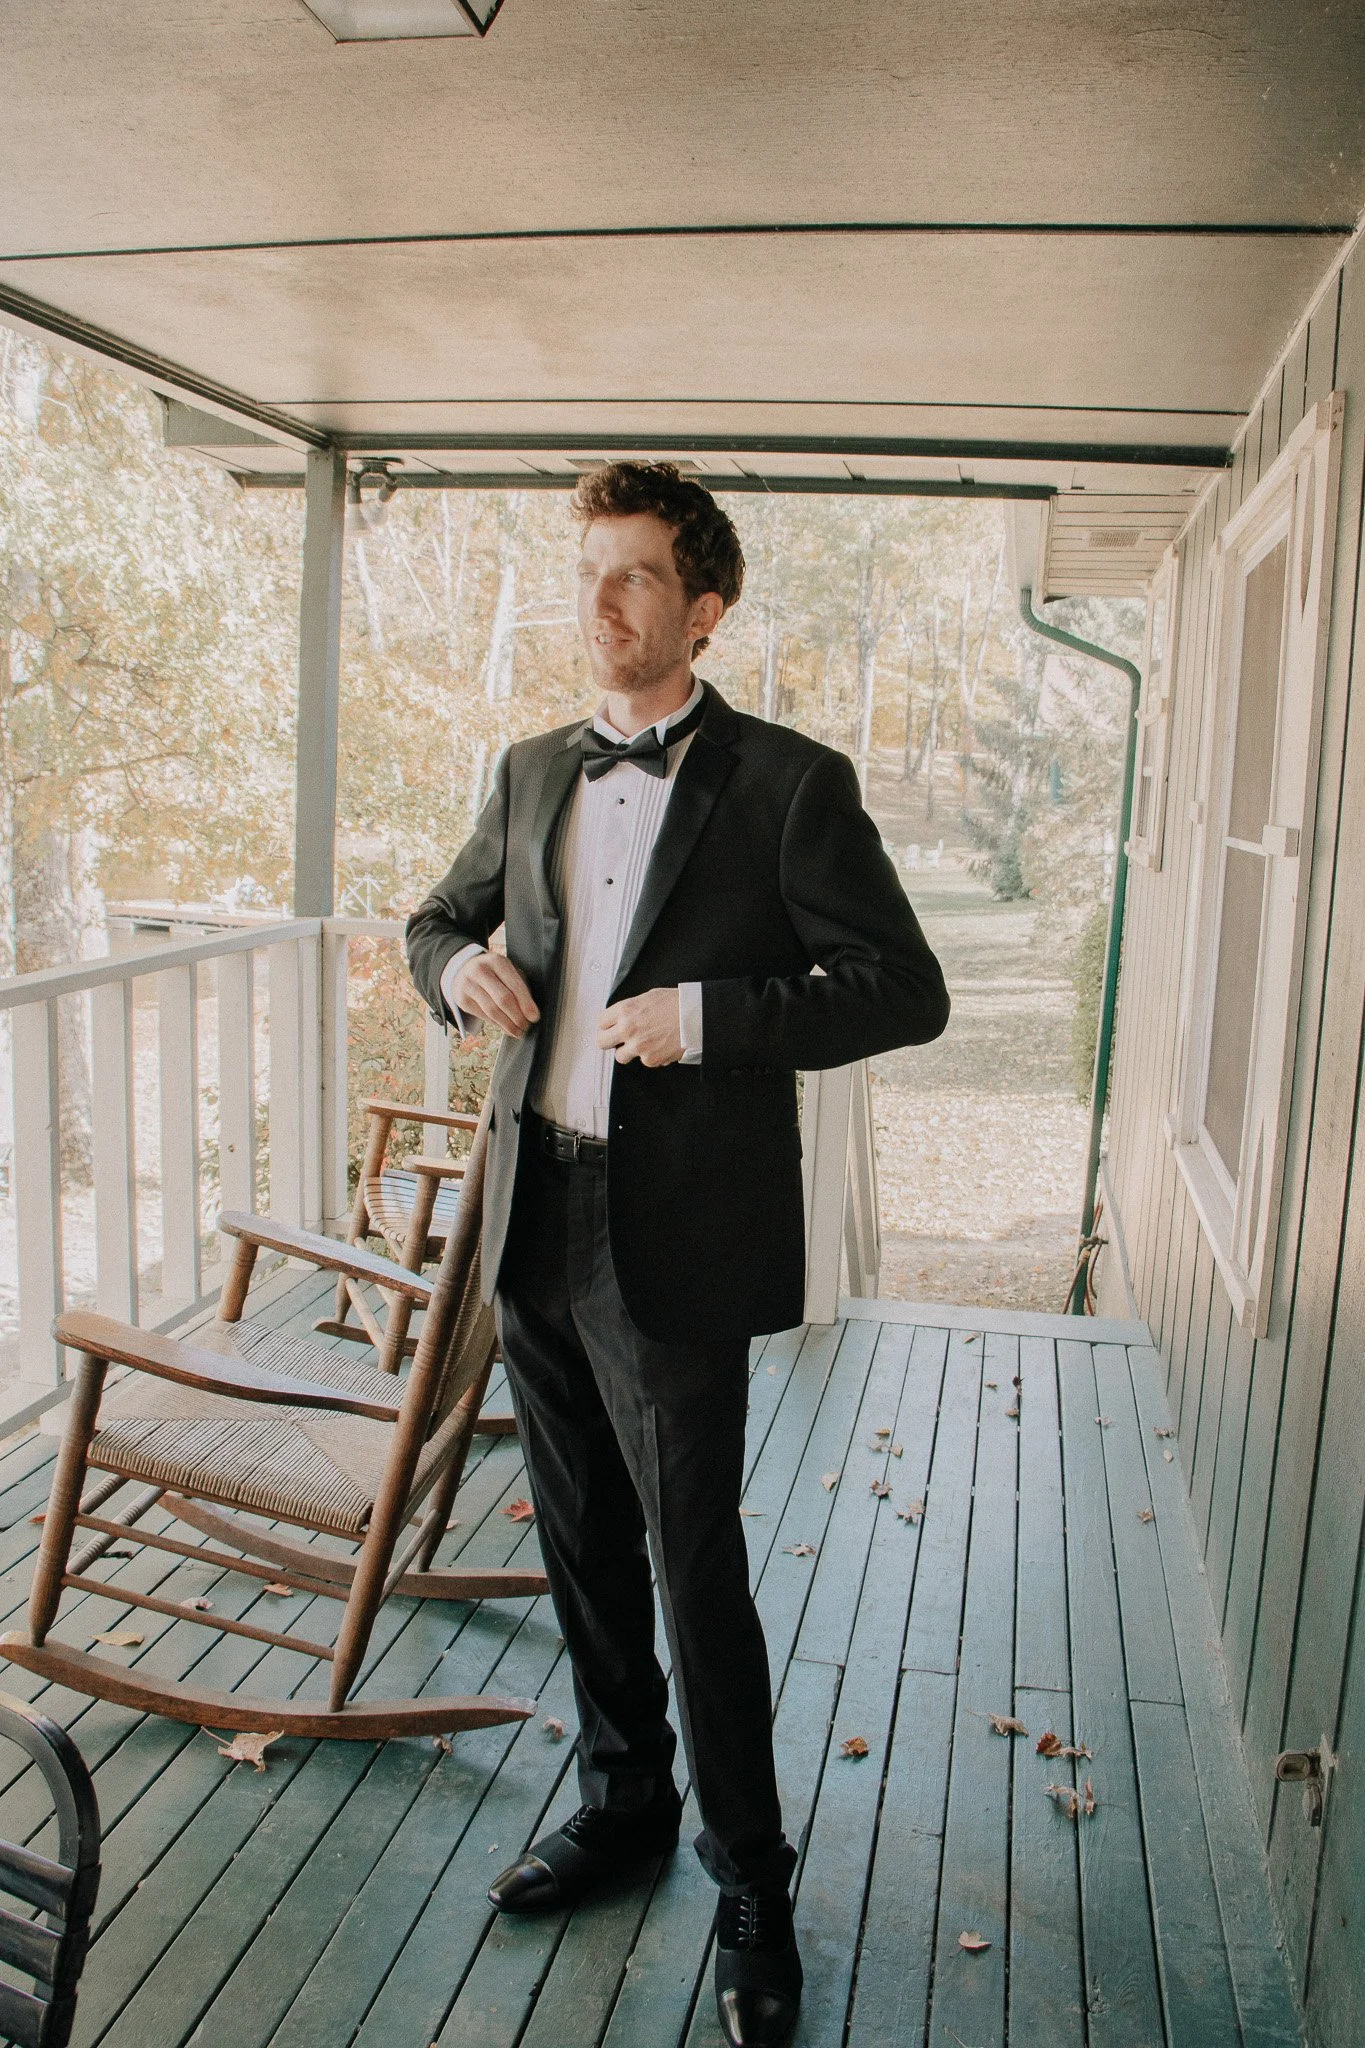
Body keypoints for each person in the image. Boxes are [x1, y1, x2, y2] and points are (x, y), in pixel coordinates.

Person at [406, 462, 949, 2048]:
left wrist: (714, 1020)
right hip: (537, 1212)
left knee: (692, 1564)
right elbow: (434, 921)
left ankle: (753, 1885)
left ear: (703, 609)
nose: (600, 601)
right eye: (589, 571)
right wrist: (458, 980)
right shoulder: (526, 772)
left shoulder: (791, 784)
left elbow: (902, 989)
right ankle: (624, 1808)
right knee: (579, 1544)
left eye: (634, 575)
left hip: (678, 1233)